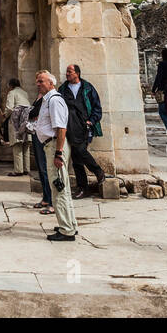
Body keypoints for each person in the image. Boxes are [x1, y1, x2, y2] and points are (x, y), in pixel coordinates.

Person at [31, 70, 76, 241]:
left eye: (41, 81)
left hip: (54, 147)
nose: (38, 84)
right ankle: (70, 224)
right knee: (62, 187)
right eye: (37, 81)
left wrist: (58, 153)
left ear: (51, 83)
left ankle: (66, 230)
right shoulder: (47, 100)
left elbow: (61, 128)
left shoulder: (54, 100)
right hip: (51, 146)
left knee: (58, 189)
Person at [58, 64, 105, 199]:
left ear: (77, 73)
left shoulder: (88, 88)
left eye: (69, 72)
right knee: (76, 158)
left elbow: (97, 107)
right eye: (66, 72)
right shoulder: (63, 89)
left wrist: (92, 121)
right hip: (69, 126)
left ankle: (97, 173)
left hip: (84, 126)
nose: (67, 74)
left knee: (79, 152)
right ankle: (84, 187)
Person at [3, 78, 32, 177]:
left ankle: (18, 170)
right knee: (26, 145)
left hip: (16, 121)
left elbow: (10, 108)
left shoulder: (12, 93)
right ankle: (26, 169)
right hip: (26, 120)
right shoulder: (25, 93)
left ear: (11, 86)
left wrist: (5, 115)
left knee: (17, 145)